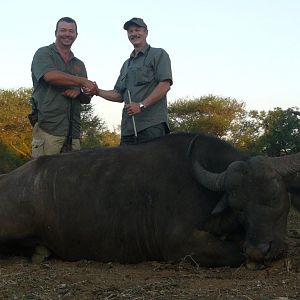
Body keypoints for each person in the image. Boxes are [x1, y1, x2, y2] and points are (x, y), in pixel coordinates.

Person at [90, 17, 173, 145]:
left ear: (146, 32)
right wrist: (97, 91)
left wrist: (141, 105)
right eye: (130, 31)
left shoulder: (158, 54)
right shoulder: (126, 65)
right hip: (128, 130)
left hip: (151, 126)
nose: (134, 34)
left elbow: (164, 85)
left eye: (137, 30)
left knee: (150, 165)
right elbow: (118, 94)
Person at [30, 17, 96, 158]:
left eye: (71, 31)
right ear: (56, 32)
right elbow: (50, 76)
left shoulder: (79, 64)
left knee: (72, 178)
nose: (67, 34)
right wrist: (82, 81)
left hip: (74, 132)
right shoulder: (43, 53)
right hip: (48, 129)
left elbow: (86, 98)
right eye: (63, 30)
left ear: (76, 35)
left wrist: (79, 92)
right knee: (44, 178)